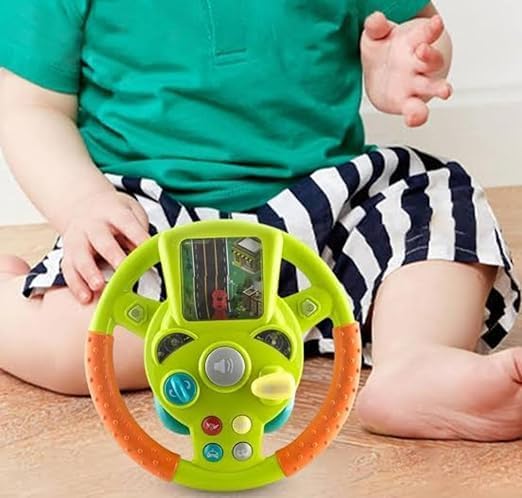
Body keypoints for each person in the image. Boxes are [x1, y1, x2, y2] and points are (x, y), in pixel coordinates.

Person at [0, 1, 520, 441]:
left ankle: (415, 359)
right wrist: (82, 202)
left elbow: (420, 25)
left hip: (326, 210)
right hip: (158, 220)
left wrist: (406, 59)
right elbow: (31, 107)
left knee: (433, 201)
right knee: (82, 339)